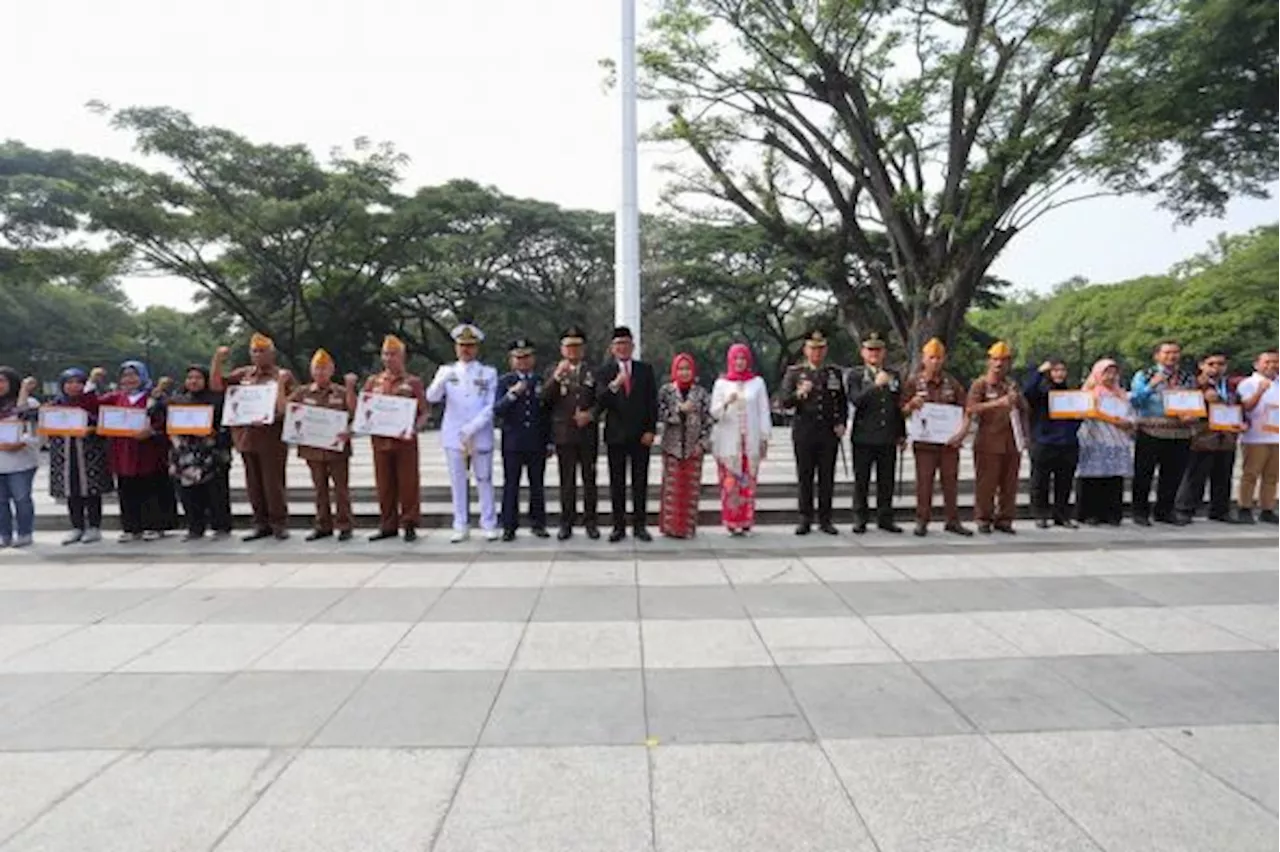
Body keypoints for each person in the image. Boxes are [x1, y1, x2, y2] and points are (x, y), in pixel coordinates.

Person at [211, 334, 295, 541]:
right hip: (246, 438)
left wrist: (271, 415)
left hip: (271, 438)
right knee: (253, 484)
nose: (258, 355)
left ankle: (279, 523)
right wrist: (217, 360)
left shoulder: (282, 375)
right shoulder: (243, 374)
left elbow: (291, 407)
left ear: (272, 353)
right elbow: (216, 386)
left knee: (273, 482)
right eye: (254, 351)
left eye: (262, 351)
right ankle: (260, 523)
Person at [427, 322, 499, 543]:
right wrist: (440, 381)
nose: (465, 350)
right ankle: (460, 524)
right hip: (454, 434)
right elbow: (431, 397)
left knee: (484, 479)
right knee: (458, 481)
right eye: (461, 346)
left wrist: (473, 427)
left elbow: (490, 405)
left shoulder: (488, 372)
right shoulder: (446, 371)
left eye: (470, 345)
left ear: (476, 348)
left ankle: (488, 523)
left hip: (479, 432)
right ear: (455, 348)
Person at [780, 330, 847, 535]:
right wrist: (799, 393)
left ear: (825, 350)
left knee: (827, 477)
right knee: (805, 476)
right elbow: (784, 402)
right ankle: (805, 518)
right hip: (804, 431)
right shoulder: (795, 372)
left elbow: (841, 402)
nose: (816, 352)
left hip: (827, 432)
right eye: (812, 348)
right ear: (805, 350)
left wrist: (841, 422)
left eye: (820, 348)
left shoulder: (833, 372)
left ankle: (825, 519)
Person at [903, 338, 972, 537]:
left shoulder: (952, 383)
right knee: (924, 483)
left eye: (939, 358)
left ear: (944, 359)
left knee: (950, 482)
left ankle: (952, 520)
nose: (935, 361)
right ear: (923, 359)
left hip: (949, 444)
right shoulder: (914, 382)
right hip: (925, 443)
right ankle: (922, 520)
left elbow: (967, 410)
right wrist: (911, 405)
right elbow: (901, 410)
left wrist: (962, 434)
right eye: (931, 357)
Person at [100, 361, 176, 542]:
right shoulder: (115, 397)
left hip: (149, 450)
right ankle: (131, 527)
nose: (129, 379)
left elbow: (167, 420)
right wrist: (93, 380)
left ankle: (155, 526)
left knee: (151, 488)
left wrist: (152, 431)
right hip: (124, 451)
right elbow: (92, 403)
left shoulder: (155, 397)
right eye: (125, 375)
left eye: (133, 375)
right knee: (126, 489)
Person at [596, 326, 659, 542]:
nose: (622, 348)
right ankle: (618, 526)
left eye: (626, 343)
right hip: (616, 436)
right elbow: (599, 403)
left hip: (641, 435)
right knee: (617, 483)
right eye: (618, 344)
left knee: (640, 482)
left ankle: (640, 525)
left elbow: (652, 402)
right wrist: (615, 385)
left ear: (633, 346)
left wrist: (651, 429)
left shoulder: (645, 369)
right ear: (612, 348)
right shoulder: (605, 372)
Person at [365, 335, 427, 541]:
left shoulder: (413, 382)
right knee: (384, 483)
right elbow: (364, 409)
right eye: (385, 354)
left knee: (408, 483)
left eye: (393, 354)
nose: (389, 358)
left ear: (403, 357)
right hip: (380, 441)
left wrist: (414, 428)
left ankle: (409, 523)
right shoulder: (373, 382)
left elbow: (424, 412)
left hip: (405, 442)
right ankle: (388, 524)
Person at [292, 349, 359, 541]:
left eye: (324, 369)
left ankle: (345, 525)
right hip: (313, 450)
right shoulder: (302, 393)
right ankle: (323, 525)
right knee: (319, 489)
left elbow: (356, 414)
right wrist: (280, 385)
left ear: (332, 370)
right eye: (317, 369)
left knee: (341, 489)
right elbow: (285, 410)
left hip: (337, 449)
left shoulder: (342, 392)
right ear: (311, 371)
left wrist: (350, 430)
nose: (320, 373)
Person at [541, 325, 600, 541]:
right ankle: (567, 522)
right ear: (562, 348)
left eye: (577, 346)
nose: (573, 351)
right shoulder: (552, 370)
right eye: (569, 346)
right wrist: (557, 377)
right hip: (564, 434)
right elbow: (544, 400)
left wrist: (591, 414)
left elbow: (601, 399)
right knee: (567, 481)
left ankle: (591, 522)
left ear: (583, 348)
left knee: (589, 480)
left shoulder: (592, 370)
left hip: (587, 433)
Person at [1128, 340, 1196, 525]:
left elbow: (1193, 400)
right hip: (1151, 430)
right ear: (1157, 355)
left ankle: (1164, 511)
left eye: (1175, 352)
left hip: (1180, 432)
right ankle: (1140, 512)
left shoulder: (1187, 377)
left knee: (1173, 475)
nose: (1172, 356)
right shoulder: (1145, 374)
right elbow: (1134, 401)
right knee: (1144, 474)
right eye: (1167, 353)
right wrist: (1151, 386)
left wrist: (1191, 414)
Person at [845, 333, 904, 534]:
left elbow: (897, 406)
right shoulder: (856, 375)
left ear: (884, 353)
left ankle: (885, 517)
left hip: (887, 435)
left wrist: (901, 432)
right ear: (863, 353)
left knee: (886, 480)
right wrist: (874, 385)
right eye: (870, 350)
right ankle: (860, 517)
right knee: (862, 480)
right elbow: (856, 400)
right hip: (864, 436)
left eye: (878, 350)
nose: (874, 354)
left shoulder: (893, 374)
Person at [966, 341, 1029, 534]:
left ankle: (1005, 519)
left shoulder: (1011, 385)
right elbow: (971, 408)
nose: (999, 364)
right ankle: (983, 518)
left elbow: (1026, 411)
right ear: (988, 361)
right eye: (995, 360)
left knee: (1009, 484)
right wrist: (997, 404)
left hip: (1011, 442)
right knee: (987, 484)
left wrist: (1026, 435)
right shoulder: (981, 385)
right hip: (988, 442)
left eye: (1003, 360)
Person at [1174, 350, 1241, 525]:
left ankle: (1220, 510)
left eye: (1220, 364)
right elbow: (1184, 408)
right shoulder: (1194, 384)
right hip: (1201, 435)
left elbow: (1239, 407)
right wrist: (1204, 401)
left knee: (1224, 475)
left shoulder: (1230, 386)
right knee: (1195, 475)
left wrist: (1242, 422)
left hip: (1226, 436)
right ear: (1201, 366)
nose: (1216, 368)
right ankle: (1185, 510)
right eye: (1211, 364)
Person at [710, 343, 771, 535]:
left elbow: (763, 411)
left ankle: (746, 520)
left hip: (750, 442)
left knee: (748, 483)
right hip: (728, 443)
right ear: (730, 360)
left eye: (743, 358)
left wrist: (764, 437)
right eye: (736, 358)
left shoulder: (758, 383)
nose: (739, 362)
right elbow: (714, 413)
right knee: (730, 484)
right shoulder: (721, 384)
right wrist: (726, 403)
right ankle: (731, 520)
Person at [47, 367, 113, 544]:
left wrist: (91, 429)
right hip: (65, 454)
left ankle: (94, 526)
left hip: (89, 453)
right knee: (71, 490)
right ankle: (76, 526)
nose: (74, 386)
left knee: (91, 489)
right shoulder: (55, 405)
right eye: (69, 382)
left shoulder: (93, 402)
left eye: (78, 382)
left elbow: (104, 423)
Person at [495, 338, 552, 541]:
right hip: (513, 442)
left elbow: (547, 414)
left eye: (526, 357)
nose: (522, 361)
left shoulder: (539, 381)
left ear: (533, 359)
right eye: (518, 358)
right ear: (511, 361)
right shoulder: (505, 381)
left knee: (537, 484)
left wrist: (549, 441)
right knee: (511, 484)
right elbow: (497, 410)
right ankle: (509, 525)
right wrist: (512, 395)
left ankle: (538, 523)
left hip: (536, 441)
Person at [169, 365, 233, 540]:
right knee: (188, 493)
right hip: (185, 455)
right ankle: (195, 527)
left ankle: (220, 526)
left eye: (198, 377)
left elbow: (226, 425)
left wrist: (214, 434)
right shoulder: (177, 400)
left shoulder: (216, 400)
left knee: (216, 492)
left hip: (211, 455)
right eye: (190, 377)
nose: (193, 381)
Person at [1022, 358, 1081, 528]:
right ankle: (1040, 514)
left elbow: (1080, 414)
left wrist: (1073, 428)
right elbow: (1027, 392)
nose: (1059, 373)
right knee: (1040, 481)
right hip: (1044, 441)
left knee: (1065, 481)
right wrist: (1039, 372)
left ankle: (1062, 515)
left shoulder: (1071, 393)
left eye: (1062, 370)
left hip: (1067, 443)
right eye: (1055, 370)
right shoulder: (1040, 391)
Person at [657, 353, 711, 539]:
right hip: (672, 447)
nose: (684, 372)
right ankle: (670, 527)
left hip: (693, 448)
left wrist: (702, 444)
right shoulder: (666, 391)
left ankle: (687, 528)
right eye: (680, 369)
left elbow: (708, 420)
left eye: (688, 369)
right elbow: (660, 414)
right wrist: (678, 410)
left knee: (690, 490)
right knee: (672, 490)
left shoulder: (701, 393)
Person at [1076, 359, 1135, 525]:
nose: (1110, 376)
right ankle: (1089, 514)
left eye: (1113, 373)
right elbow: (1080, 413)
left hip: (1118, 442)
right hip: (1094, 440)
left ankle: (1112, 514)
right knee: (1092, 478)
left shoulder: (1121, 394)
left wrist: (1128, 422)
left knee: (1114, 479)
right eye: (1106, 372)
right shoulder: (1089, 393)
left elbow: (1131, 414)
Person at [1236, 349, 1280, 524]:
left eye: (1275, 362)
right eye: (1267, 362)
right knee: (1250, 474)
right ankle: (1244, 507)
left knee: (1272, 476)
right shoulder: (1248, 383)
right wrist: (1260, 391)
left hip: (1276, 437)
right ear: (1257, 364)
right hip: (1255, 437)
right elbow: (1245, 407)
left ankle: (1267, 509)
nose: (1272, 365)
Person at [0, 369, 41, 548]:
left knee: (21, 498)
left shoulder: (29, 403)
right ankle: (4, 534)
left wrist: (23, 443)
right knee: (0, 502)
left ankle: (25, 533)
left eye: (2, 381)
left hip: (21, 461)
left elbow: (36, 431)